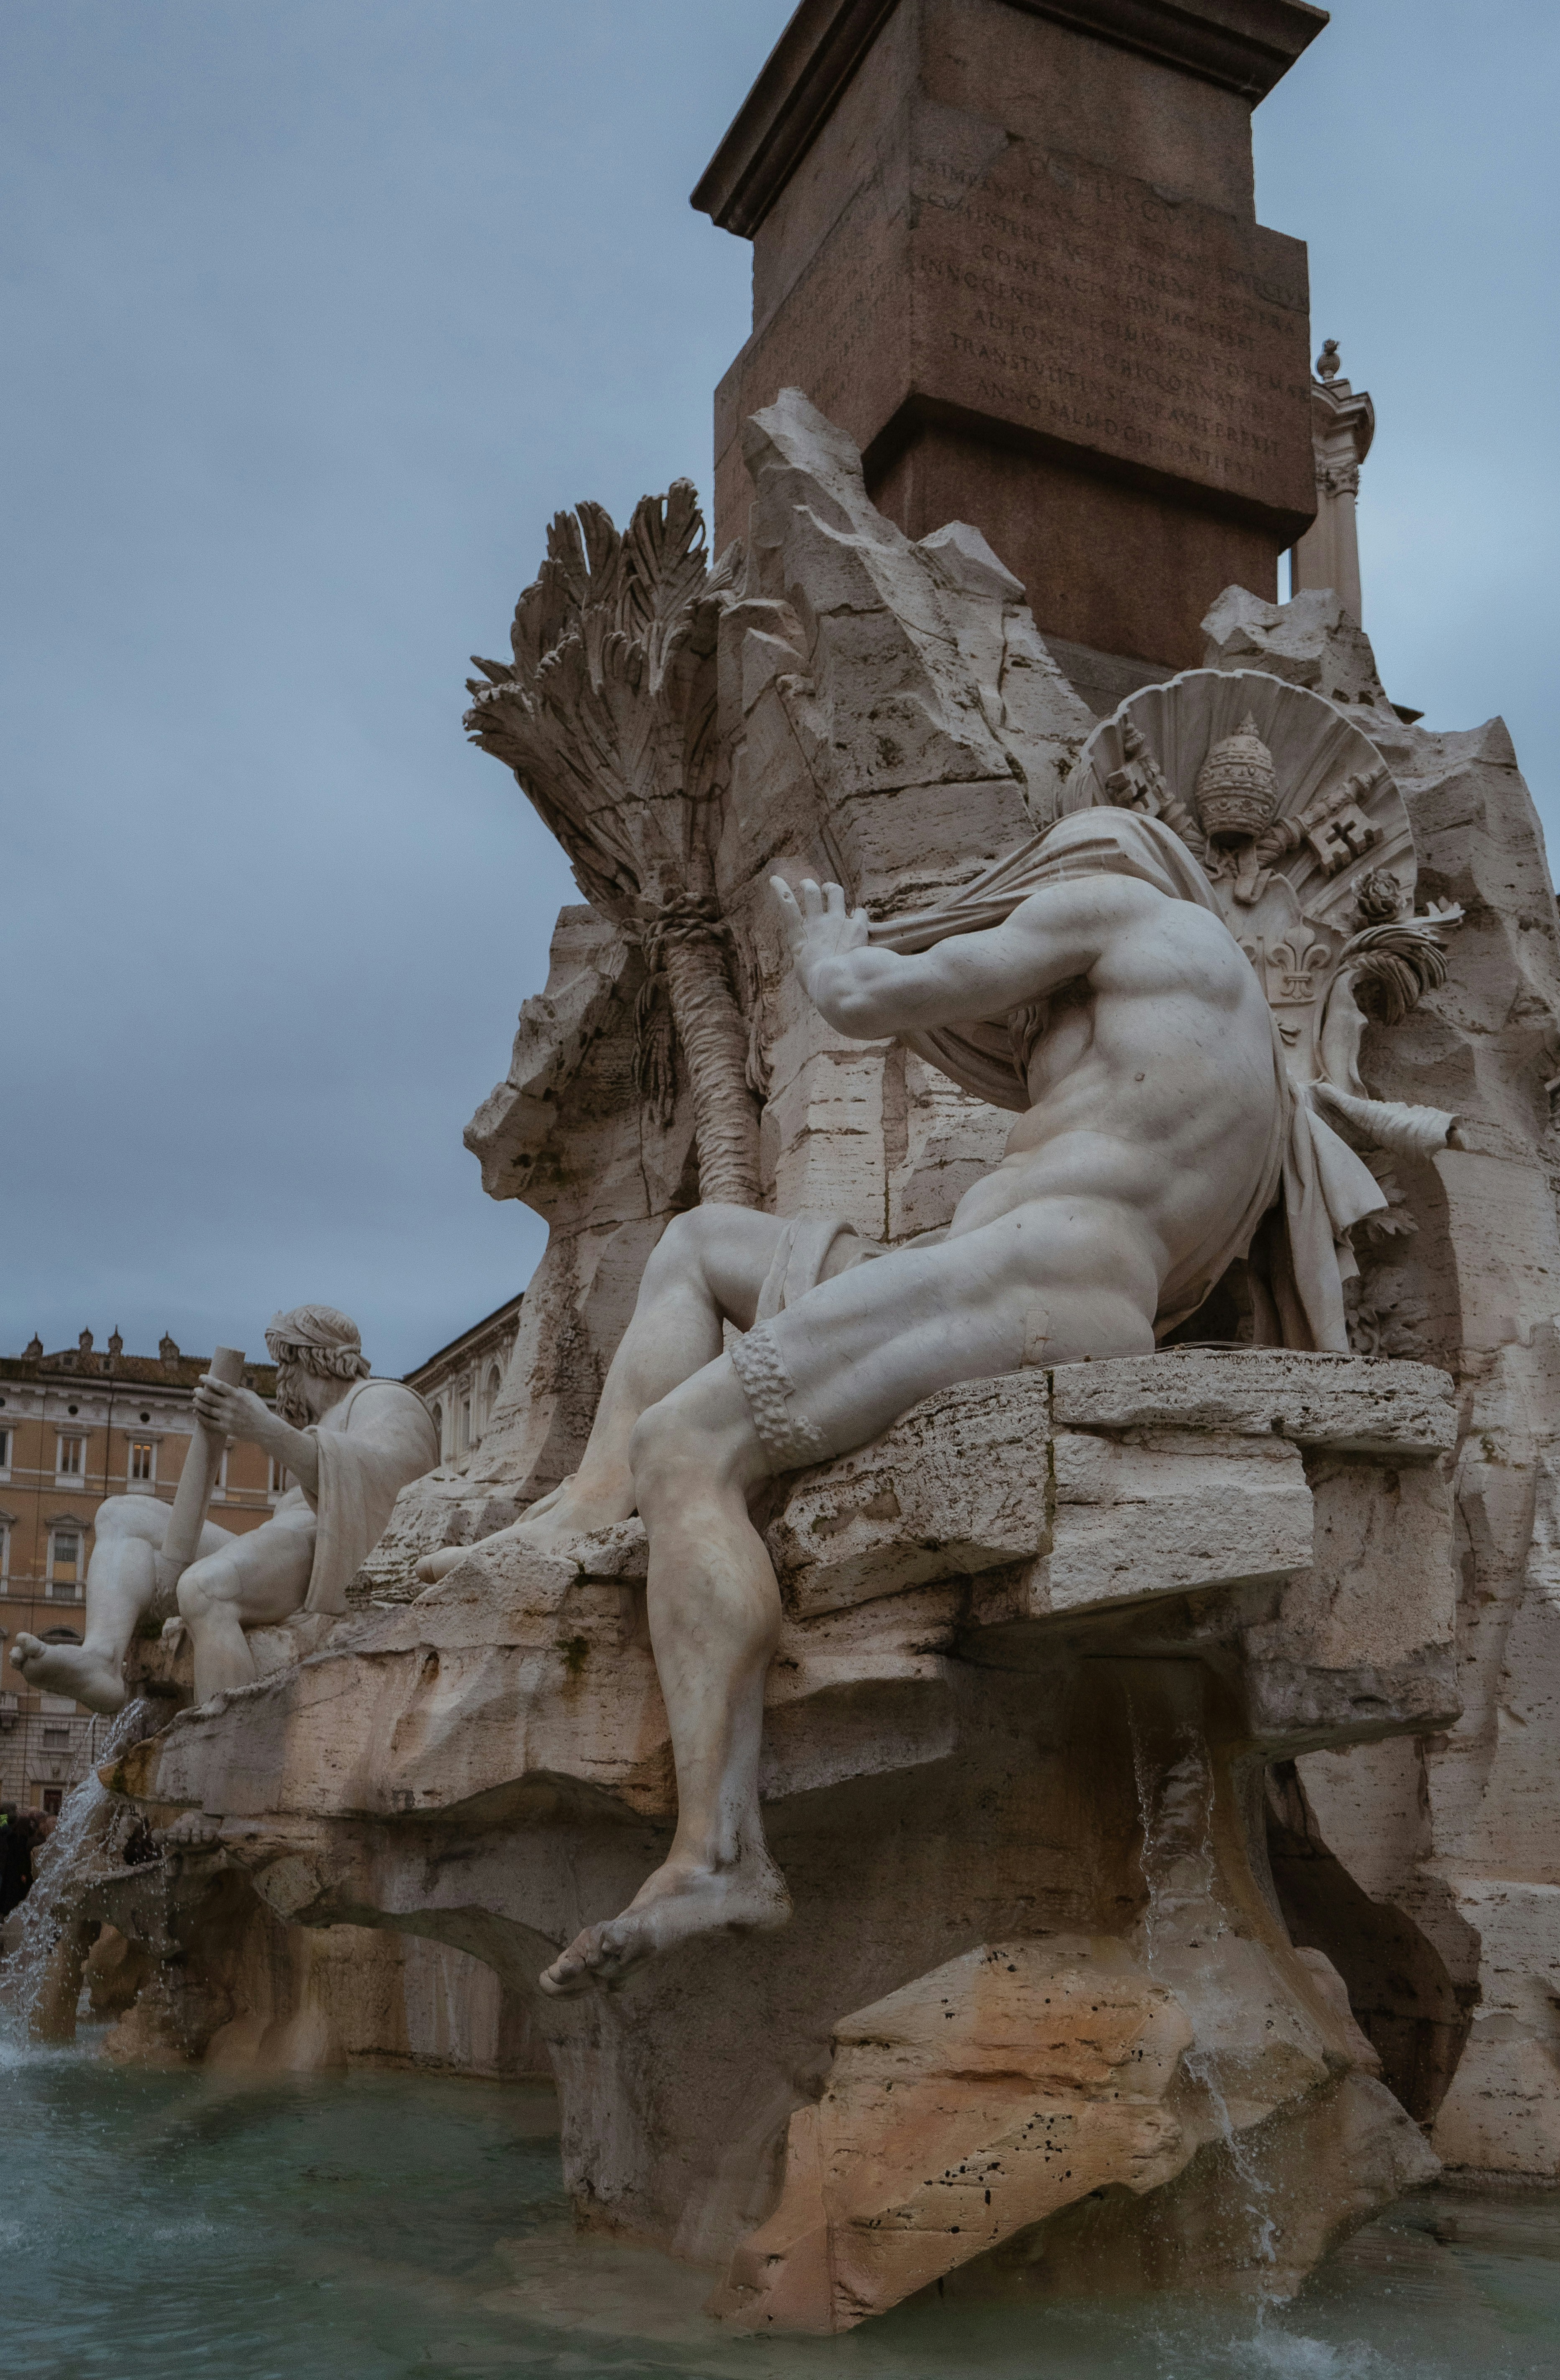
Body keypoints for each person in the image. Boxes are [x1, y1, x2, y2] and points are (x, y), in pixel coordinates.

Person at [414, 806, 1387, 2000]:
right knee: (704, 1244)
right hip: (1041, 1278)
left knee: (693, 1445)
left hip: (1031, 1274)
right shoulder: (1232, 1055)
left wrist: (829, 954)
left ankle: (721, 1851)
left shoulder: (1123, 904)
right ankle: (590, 1504)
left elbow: (874, 999)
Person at [10, 1306, 438, 1714]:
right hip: (286, 1555)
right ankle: (101, 1658)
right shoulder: (320, 1419)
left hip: (329, 1555)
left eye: (286, 1365)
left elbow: (395, 1485)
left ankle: (224, 1744)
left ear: (312, 1359)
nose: (282, 1379)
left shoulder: (383, 1399)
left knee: (206, 1587)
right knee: (120, 1514)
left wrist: (264, 1429)